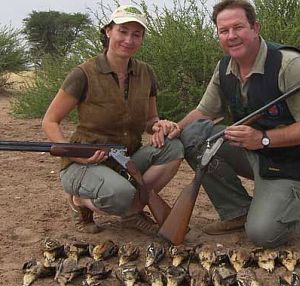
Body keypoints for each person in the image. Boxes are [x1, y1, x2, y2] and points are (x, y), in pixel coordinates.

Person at [168, 0, 300, 248]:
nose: (231, 36)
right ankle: (237, 211)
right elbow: (203, 113)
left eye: (238, 27)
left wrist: (263, 139)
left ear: (255, 27)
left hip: (290, 163)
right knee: (194, 135)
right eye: (223, 30)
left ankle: (288, 202)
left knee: (263, 234)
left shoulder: (289, 65)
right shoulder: (224, 68)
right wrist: (174, 129)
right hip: (256, 155)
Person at [42, 5, 184, 235]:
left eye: (136, 34)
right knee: (121, 193)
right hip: (84, 163)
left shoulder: (146, 73)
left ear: (142, 38)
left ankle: (131, 211)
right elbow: (50, 121)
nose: (129, 39)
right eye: (123, 31)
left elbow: (150, 120)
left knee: (174, 147)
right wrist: (73, 153)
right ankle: (79, 201)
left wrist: (160, 125)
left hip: (125, 158)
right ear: (108, 31)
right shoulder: (83, 73)